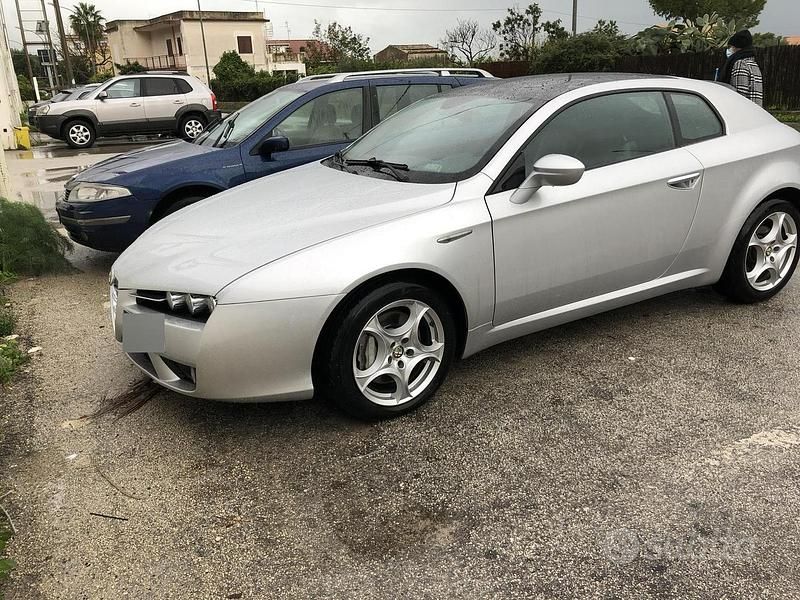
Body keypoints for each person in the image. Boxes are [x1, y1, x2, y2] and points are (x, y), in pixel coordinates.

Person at [720, 30, 764, 106]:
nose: (730, 49)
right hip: (755, 111)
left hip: (744, 112)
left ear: (737, 48)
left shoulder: (741, 64)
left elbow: (739, 96)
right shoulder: (753, 64)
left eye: (732, 46)